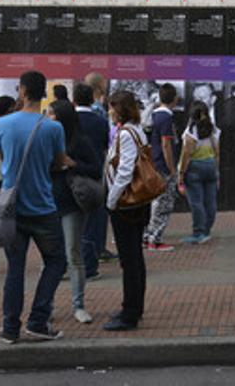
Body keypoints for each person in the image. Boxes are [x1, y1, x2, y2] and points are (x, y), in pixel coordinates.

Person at [0, 70, 70, 344]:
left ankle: (10, 327)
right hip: (43, 207)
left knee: (15, 268)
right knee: (56, 261)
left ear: (22, 91)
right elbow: (60, 162)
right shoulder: (53, 127)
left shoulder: (3, 125)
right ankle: (38, 320)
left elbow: (4, 161)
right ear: (43, 93)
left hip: (12, 210)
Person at [49, 98, 103, 324]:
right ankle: (46, 305)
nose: (47, 117)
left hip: (71, 202)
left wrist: (73, 165)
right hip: (49, 203)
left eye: (51, 114)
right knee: (50, 257)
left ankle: (78, 305)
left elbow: (96, 168)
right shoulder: (46, 138)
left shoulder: (80, 141)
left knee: (73, 253)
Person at [104, 90, 152, 331]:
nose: (109, 111)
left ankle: (130, 312)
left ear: (121, 109)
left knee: (130, 259)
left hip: (126, 204)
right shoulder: (135, 130)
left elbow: (124, 171)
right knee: (134, 258)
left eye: (112, 107)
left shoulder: (125, 133)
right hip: (134, 204)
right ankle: (133, 306)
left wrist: (111, 200)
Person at [74, 82, 111, 279]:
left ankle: (68, 264)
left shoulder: (67, 121)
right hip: (95, 174)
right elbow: (106, 147)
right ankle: (90, 264)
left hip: (71, 176)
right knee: (92, 222)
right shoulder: (100, 121)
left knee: (71, 222)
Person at [82, 74, 117, 265]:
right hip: (98, 165)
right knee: (98, 211)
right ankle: (97, 248)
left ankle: (94, 248)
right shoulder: (99, 112)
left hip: (85, 166)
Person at [176, 102, 220, 244]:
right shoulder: (213, 129)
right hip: (210, 165)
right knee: (210, 201)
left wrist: (181, 173)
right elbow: (217, 152)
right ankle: (207, 230)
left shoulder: (191, 131)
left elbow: (187, 153)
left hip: (194, 166)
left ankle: (198, 233)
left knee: (196, 202)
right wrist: (217, 171)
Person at [143, 83, 179, 252]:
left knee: (154, 201)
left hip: (153, 162)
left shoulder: (154, 115)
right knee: (164, 203)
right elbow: (166, 144)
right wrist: (172, 168)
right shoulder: (166, 118)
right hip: (163, 165)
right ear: (175, 99)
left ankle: (147, 236)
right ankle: (155, 239)